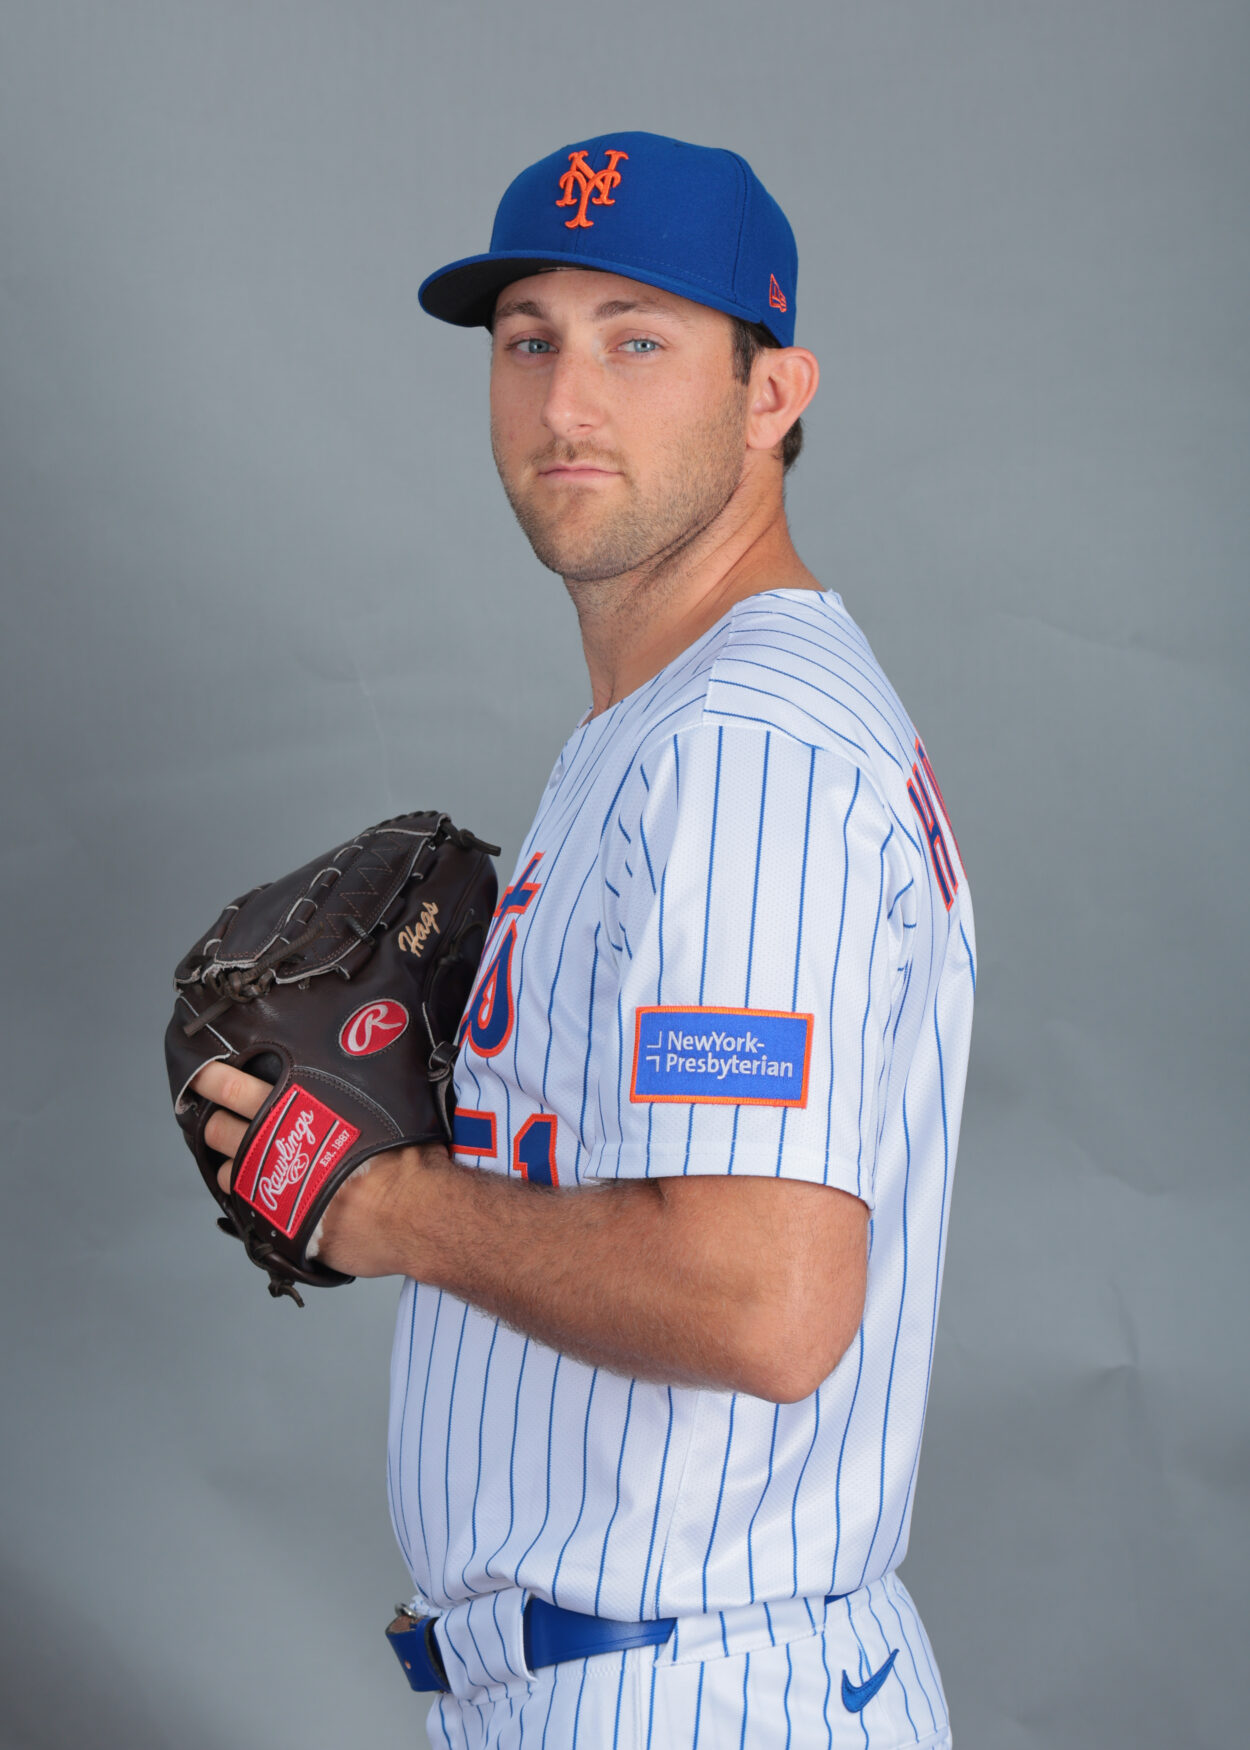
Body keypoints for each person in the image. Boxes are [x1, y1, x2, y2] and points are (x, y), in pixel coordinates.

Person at [193, 131, 975, 1748]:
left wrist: (384, 1202)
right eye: (526, 338)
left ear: (772, 395)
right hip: (627, 1675)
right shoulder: (658, 722)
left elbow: (762, 1298)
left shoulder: (745, 749)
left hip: (691, 1689)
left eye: (639, 338)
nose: (566, 403)